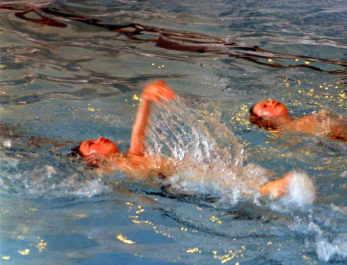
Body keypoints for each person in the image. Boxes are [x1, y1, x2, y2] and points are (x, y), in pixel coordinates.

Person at [73, 81, 305, 199]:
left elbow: (139, 133)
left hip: (182, 175)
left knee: (230, 176)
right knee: (225, 186)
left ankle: (269, 190)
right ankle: (266, 191)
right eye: (91, 144)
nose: (100, 138)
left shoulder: (131, 159)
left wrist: (146, 98)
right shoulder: (116, 170)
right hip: (180, 182)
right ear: (92, 162)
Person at [249, 99, 347, 145]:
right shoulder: (286, 134)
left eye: (268, 101)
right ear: (262, 120)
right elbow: (328, 142)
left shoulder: (298, 122)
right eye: (265, 105)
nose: (271, 101)